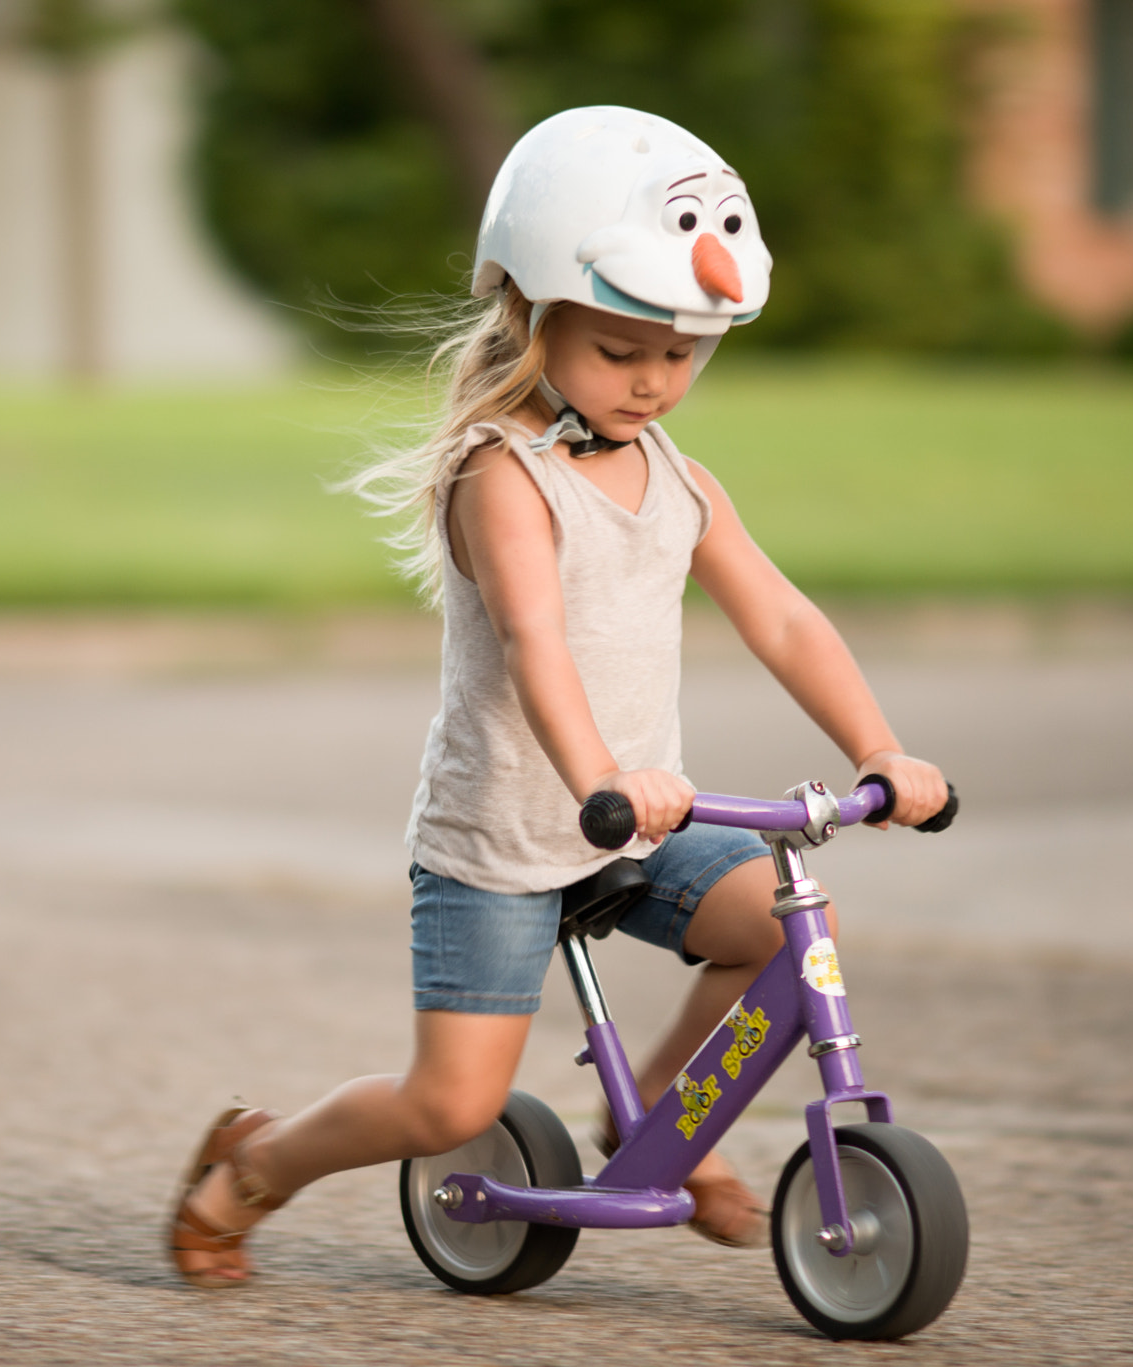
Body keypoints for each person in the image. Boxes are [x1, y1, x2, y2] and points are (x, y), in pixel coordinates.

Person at [169, 106, 949, 1289]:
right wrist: (600, 776)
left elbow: (781, 616)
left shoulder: (680, 481)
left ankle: (660, 1136)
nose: (652, 383)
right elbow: (537, 643)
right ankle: (252, 1164)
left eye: (679, 353)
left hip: (633, 819)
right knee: (449, 1103)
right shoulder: (502, 475)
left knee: (782, 929)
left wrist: (882, 748)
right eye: (620, 350)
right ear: (533, 319)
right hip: (507, 834)